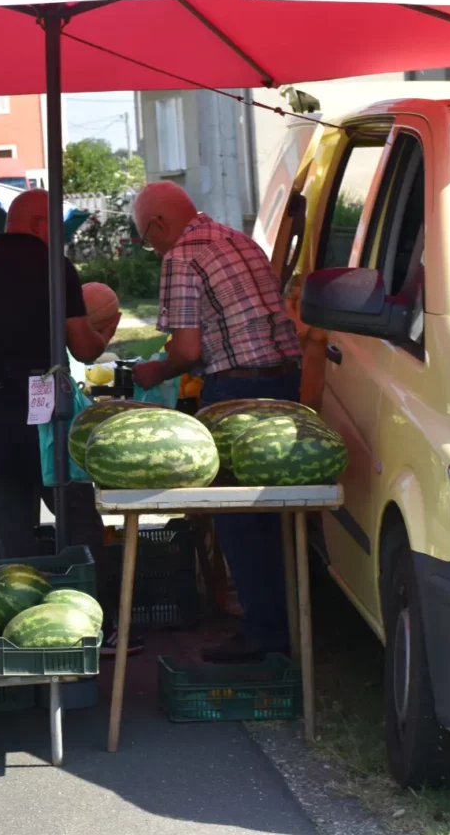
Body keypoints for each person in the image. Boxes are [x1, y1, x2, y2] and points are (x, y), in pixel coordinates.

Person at [0, 189, 133, 654]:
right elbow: (84, 348)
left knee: (13, 541)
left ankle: (24, 641)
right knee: (78, 525)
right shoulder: (54, 267)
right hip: (44, 416)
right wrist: (105, 331)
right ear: (38, 224)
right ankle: (99, 626)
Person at [131, 181, 302, 663]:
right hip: (286, 382)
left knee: (237, 513)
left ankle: (263, 632)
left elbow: (187, 350)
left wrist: (155, 371)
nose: (151, 248)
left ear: (159, 224)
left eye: (146, 238)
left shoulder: (181, 255)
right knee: (275, 509)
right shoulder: (237, 239)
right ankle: (287, 624)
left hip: (236, 390)